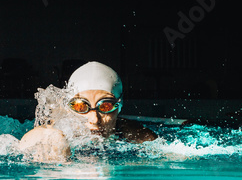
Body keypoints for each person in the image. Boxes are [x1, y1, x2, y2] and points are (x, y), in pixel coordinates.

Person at [18, 61, 158, 162]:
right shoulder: (59, 131)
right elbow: (27, 141)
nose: (94, 119)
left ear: (119, 107)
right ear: (69, 108)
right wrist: (51, 138)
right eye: (80, 107)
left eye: (106, 106)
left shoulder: (137, 136)